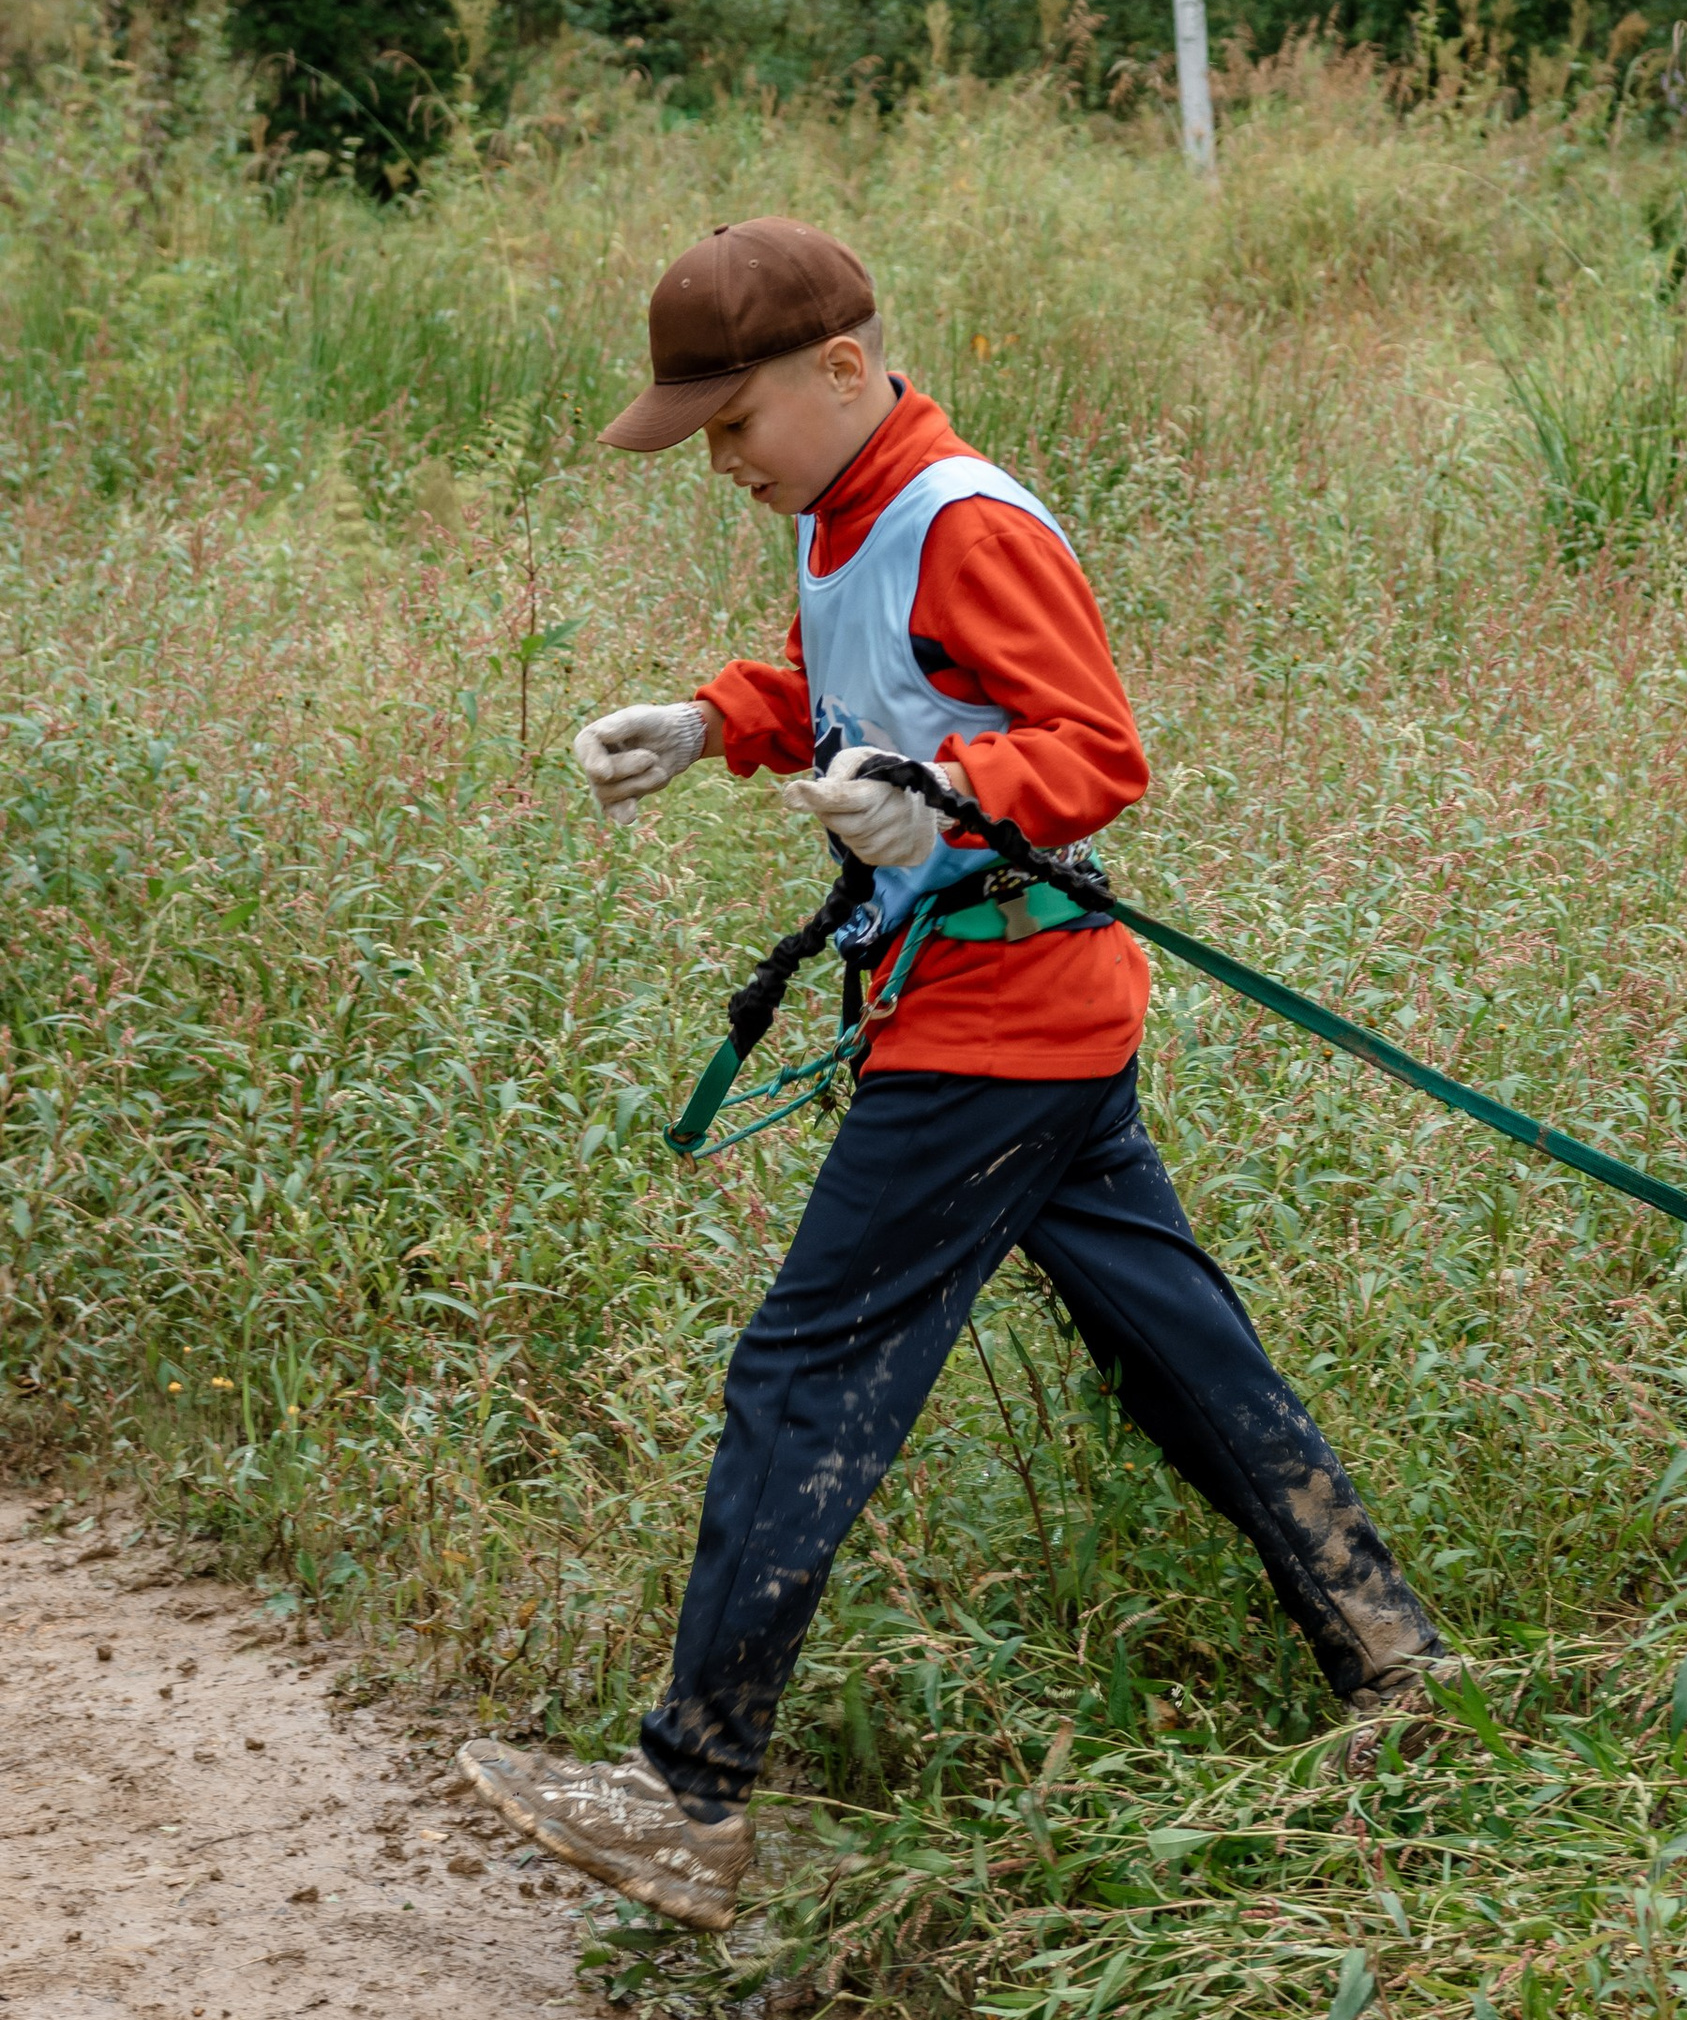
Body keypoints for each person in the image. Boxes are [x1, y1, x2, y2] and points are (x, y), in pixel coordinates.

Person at [461, 217, 1448, 1927]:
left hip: (992, 1034)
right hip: (1018, 1019)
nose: (720, 459)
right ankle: (1408, 1670)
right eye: (697, 431)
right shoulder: (849, 510)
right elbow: (861, 688)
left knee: (803, 1370)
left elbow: (1091, 748)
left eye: (734, 420)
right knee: (1181, 1359)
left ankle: (692, 1798)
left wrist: (947, 795)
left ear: (842, 371)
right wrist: (711, 721)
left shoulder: (961, 518)